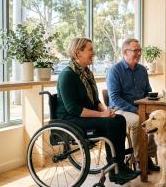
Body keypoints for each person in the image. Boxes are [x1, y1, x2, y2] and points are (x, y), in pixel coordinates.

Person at [56, 38, 139, 185]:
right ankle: (115, 171)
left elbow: (95, 101)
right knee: (111, 124)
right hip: (71, 119)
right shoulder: (67, 75)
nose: (93, 52)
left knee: (119, 119)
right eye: (90, 50)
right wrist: (102, 115)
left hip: (84, 115)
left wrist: (107, 111)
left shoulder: (86, 74)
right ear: (77, 53)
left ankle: (120, 166)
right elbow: (73, 108)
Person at [106, 38, 159, 172]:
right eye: (135, 50)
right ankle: (139, 159)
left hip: (139, 108)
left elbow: (148, 91)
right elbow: (115, 98)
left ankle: (148, 157)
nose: (139, 53)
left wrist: (154, 104)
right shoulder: (115, 70)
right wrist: (135, 110)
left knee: (157, 120)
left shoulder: (142, 70)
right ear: (125, 52)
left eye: (140, 50)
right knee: (138, 121)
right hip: (119, 110)